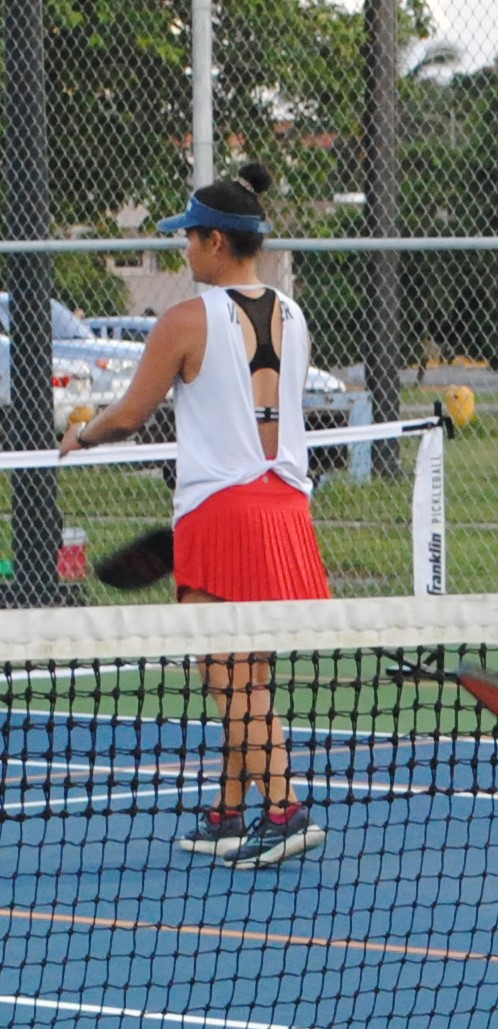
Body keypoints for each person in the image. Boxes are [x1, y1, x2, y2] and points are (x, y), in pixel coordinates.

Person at [61, 163, 330, 870]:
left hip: (221, 511)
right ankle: (229, 812)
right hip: (286, 510)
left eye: (189, 238)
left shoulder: (186, 319)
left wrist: (82, 435)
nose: (183, 250)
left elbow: (130, 414)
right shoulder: (295, 314)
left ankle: (285, 809)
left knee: (227, 673)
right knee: (246, 675)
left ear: (215, 241)